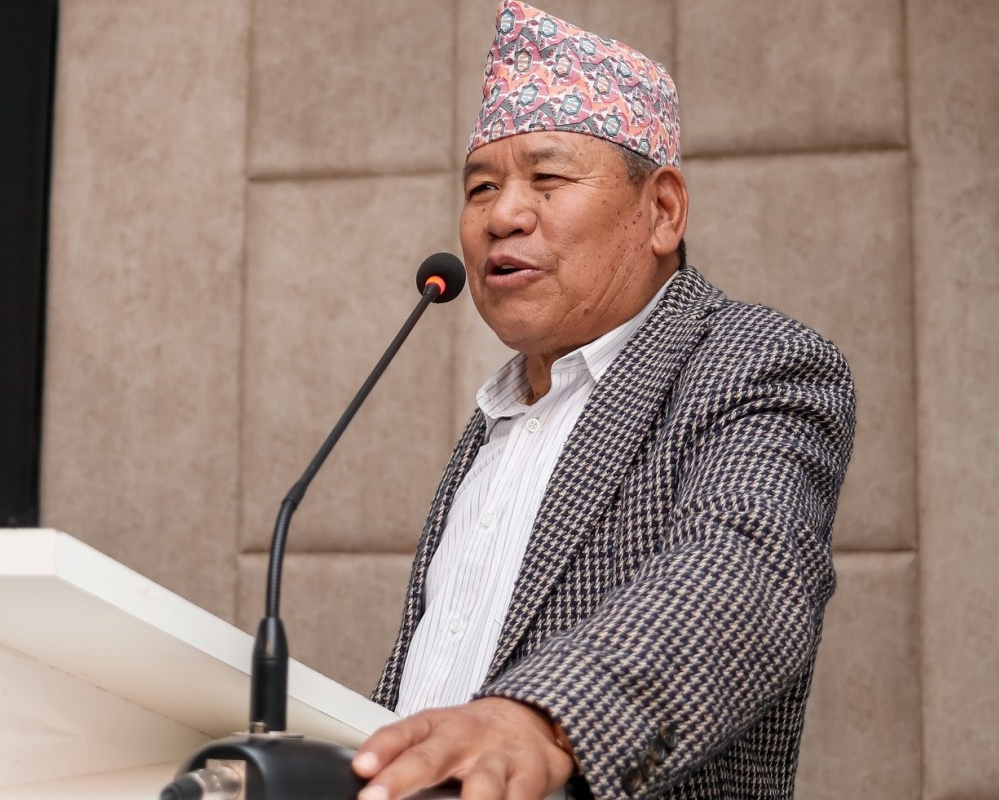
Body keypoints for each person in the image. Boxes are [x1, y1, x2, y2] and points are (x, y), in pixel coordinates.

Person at [353, 3, 856, 799]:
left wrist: (542, 717)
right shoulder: (498, 421)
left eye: (548, 179)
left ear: (662, 211)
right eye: (481, 187)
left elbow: (744, 572)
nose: (502, 215)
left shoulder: (755, 362)